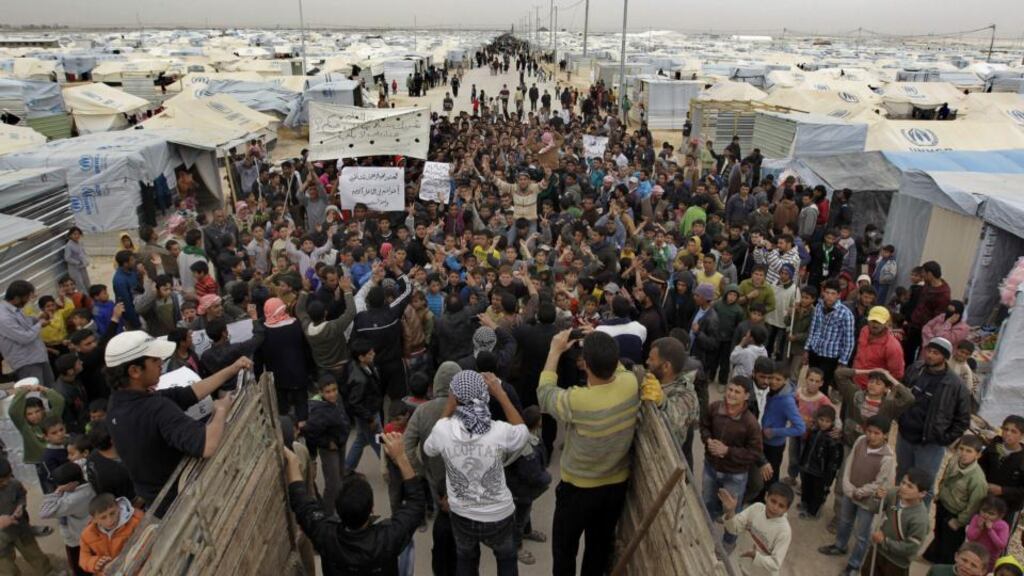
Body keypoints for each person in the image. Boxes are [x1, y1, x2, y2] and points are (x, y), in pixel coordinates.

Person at [104, 331, 251, 508]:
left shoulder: (117, 404)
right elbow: (208, 445)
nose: (161, 363)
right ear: (134, 371)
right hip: (182, 502)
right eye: (154, 360)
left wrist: (232, 368)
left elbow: (189, 393)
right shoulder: (156, 409)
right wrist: (220, 410)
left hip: (155, 501)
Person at [538, 330, 639, 575]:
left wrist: (554, 351)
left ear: (586, 365)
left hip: (578, 490)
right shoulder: (630, 383)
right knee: (599, 547)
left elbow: (545, 394)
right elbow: (617, 365)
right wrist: (599, 339)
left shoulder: (578, 400)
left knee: (564, 550)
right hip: (615, 486)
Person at [424, 370, 529, 576]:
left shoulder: (443, 430)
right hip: (499, 513)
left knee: (466, 559)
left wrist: (448, 406)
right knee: (506, 558)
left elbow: (428, 449)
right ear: (485, 396)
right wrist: (501, 394)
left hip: (462, 513)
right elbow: (523, 433)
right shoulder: (498, 431)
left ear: (454, 397)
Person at [286, 432, 425, 576]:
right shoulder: (388, 538)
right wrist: (401, 457)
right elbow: (416, 503)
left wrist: (291, 460)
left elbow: (300, 502)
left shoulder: (326, 536)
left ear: (338, 510)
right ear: (371, 509)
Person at [818, 415, 896, 573]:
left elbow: (881, 483)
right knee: (845, 521)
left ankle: (854, 564)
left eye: (877, 433)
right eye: (869, 431)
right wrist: (847, 486)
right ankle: (840, 545)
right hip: (850, 492)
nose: (871, 436)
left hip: (867, 501)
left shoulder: (888, 457)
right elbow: (849, 462)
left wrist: (860, 491)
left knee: (862, 534)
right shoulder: (860, 441)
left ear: (885, 435)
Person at [896, 337, 973, 496]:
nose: (930, 355)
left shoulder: (955, 385)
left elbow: (963, 419)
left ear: (945, 357)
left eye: (935, 353)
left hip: (929, 445)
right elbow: (901, 392)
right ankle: (896, 514)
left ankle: (918, 519)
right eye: (928, 351)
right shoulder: (916, 369)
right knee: (902, 477)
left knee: (924, 487)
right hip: (905, 436)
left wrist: (943, 439)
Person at [701, 376, 763, 548]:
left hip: (734, 475)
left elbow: (755, 452)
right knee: (707, 502)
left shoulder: (750, 423)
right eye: (730, 389)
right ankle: (706, 533)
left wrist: (727, 451)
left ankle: (729, 543)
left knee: (732, 512)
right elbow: (704, 425)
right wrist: (708, 440)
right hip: (710, 468)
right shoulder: (714, 408)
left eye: (737, 391)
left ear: (746, 396)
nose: (732, 394)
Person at [923, 434, 989, 565]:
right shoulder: (954, 460)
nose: (963, 453)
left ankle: (945, 567)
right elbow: (945, 477)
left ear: (978, 455)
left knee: (951, 545)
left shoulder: (978, 479)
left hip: (956, 514)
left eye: (969, 451)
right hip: (943, 505)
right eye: (961, 449)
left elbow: (974, 506)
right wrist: (940, 494)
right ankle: (931, 557)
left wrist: (959, 521)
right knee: (938, 534)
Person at [859, 468, 933, 576]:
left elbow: (911, 547)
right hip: (877, 551)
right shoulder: (894, 494)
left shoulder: (920, 520)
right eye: (903, 482)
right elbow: (875, 509)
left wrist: (884, 541)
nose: (903, 487)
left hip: (896, 563)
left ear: (922, 494)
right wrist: (877, 498)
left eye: (910, 486)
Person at [645, 337, 701, 465]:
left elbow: (675, 420)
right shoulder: (656, 381)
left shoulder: (687, 395)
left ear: (666, 366)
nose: (647, 361)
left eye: (652, 359)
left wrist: (661, 400)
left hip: (669, 464)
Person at [719, 482, 794, 576]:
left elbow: (775, 564)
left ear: (786, 509)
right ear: (766, 496)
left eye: (781, 506)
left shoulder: (784, 531)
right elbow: (734, 529)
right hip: (743, 564)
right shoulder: (756, 508)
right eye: (773, 501)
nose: (775, 508)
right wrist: (730, 512)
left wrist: (755, 556)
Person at [303, 374, 350, 519]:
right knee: (333, 483)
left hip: (340, 444)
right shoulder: (319, 410)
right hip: (330, 450)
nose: (332, 394)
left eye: (334, 390)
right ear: (321, 393)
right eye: (328, 392)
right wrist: (326, 443)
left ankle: (339, 508)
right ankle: (328, 513)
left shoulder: (337, 400)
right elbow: (309, 431)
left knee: (340, 478)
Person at [39, 461, 95, 576]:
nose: (59, 487)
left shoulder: (74, 500)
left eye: (62, 485)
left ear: (73, 483)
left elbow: (44, 513)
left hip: (76, 539)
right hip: (87, 531)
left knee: (79, 564)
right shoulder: (87, 484)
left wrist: (58, 491)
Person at [8, 381, 65, 493]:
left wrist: (42, 389)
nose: (34, 416)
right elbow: (13, 411)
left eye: (37, 411)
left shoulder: (50, 419)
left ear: (43, 409)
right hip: (41, 462)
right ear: (24, 416)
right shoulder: (24, 425)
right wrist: (23, 391)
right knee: (49, 489)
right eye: (29, 414)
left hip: (59, 456)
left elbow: (59, 401)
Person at [804, 279, 855, 396]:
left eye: (833, 294)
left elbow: (849, 341)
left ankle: (820, 409)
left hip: (830, 356)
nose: (829, 296)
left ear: (839, 295)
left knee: (822, 384)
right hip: (815, 351)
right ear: (823, 293)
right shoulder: (818, 306)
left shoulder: (846, 314)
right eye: (827, 293)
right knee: (811, 380)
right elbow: (813, 328)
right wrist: (807, 349)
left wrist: (842, 362)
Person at [0, 280, 55, 387]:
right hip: (27, 363)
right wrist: (39, 324)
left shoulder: (15, 309)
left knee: (50, 392)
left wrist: (37, 318)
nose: (28, 301)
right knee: (37, 396)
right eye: (27, 298)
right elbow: (24, 337)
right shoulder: (3, 317)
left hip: (38, 357)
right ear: (16, 298)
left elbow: (24, 324)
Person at [78, 492, 143, 575]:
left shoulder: (136, 521)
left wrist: (121, 562)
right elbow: (83, 558)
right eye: (103, 517)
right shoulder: (87, 535)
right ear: (94, 520)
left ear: (118, 508)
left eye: (112, 513)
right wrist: (96, 563)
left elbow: (147, 544)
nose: (110, 520)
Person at [798, 405, 843, 519]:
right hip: (808, 467)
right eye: (821, 420)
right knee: (806, 487)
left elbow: (833, 462)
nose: (823, 423)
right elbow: (807, 448)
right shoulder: (814, 431)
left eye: (827, 421)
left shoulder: (833, 439)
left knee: (817, 493)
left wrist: (828, 479)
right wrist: (802, 463)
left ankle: (813, 512)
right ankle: (805, 504)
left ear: (832, 422)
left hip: (820, 473)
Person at [979, 414, 1024, 517]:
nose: (1008, 433)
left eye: (1014, 431)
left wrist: (1002, 490)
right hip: (984, 500)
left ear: (1022, 435)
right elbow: (980, 466)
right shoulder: (994, 446)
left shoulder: (1022, 458)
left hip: (1008, 508)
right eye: (1006, 429)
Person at [964, 496, 1009, 573]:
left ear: (1000, 516)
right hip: (972, 553)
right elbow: (970, 537)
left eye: (991, 513)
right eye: (983, 511)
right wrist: (979, 528)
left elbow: (1001, 545)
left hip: (989, 559)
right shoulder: (976, 518)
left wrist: (990, 530)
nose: (986, 515)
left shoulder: (1003, 526)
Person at [926, 542, 991, 576]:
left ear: (983, 571)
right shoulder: (937, 571)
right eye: (964, 560)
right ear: (956, 556)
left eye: (974, 565)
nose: (967, 566)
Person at [64, 226, 91, 291]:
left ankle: (90, 298)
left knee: (87, 282)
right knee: (80, 285)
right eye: (74, 234)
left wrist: (86, 261)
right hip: (74, 269)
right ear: (70, 235)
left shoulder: (80, 242)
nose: (77, 236)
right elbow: (67, 258)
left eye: (78, 234)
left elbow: (83, 253)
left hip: (82, 266)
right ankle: (84, 299)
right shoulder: (69, 245)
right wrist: (77, 262)